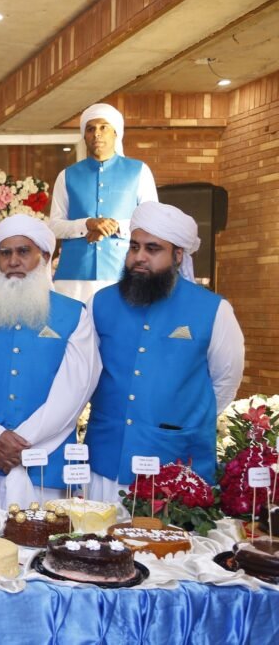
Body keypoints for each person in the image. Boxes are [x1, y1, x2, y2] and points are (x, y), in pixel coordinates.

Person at [86, 202, 244, 499]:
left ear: (178, 255)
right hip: (106, 460)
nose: (139, 257)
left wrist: (181, 417)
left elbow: (225, 380)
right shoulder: (100, 303)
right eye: (134, 247)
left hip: (176, 465)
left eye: (153, 249)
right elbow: (84, 373)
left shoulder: (214, 310)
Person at [0, 215, 101, 510]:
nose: (13, 261)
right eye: (5, 253)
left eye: (23, 251)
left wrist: (21, 443)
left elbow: (75, 389)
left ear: (44, 256)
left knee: (45, 548)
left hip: (46, 465)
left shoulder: (75, 314)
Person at [49, 103, 158, 303]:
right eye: (90, 129)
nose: (96, 134)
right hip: (74, 276)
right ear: (84, 136)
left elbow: (153, 222)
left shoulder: (138, 171)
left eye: (103, 127)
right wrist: (87, 224)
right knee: (73, 332)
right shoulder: (67, 175)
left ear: (116, 133)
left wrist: (115, 226)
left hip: (124, 272)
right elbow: (55, 225)